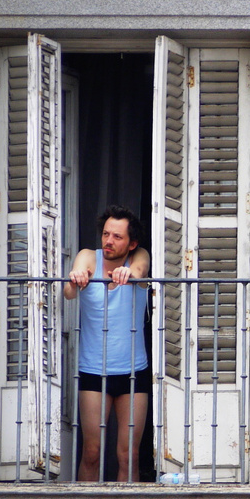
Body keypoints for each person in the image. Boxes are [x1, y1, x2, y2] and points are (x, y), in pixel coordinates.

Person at [64, 205, 151, 482]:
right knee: (91, 451)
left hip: (133, 372)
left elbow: (138, 272)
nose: (108, 241)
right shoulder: (89, 256)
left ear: (132, 242)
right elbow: (68, 292)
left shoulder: (139, 256)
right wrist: (76, 280)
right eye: (106, 234)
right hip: (93, 369)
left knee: (129, 455)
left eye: (117, 236)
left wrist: (130, 275)